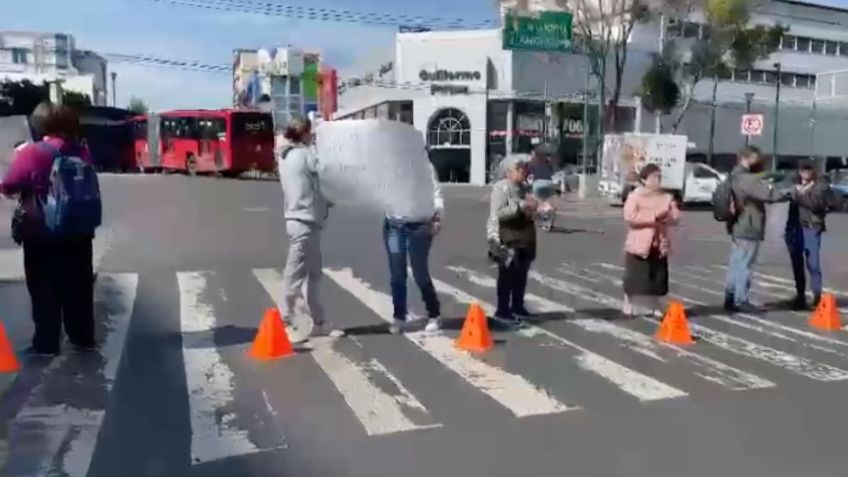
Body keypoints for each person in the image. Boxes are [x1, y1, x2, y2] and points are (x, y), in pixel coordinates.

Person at [1, 102, 97, 356]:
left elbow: (8, 184)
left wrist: (20, 157)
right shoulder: (82, 151)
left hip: (42, 230)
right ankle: (83, 338)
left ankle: (46, 343)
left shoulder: (34, 152)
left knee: (44, 288)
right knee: (79, 286)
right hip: (80, 229)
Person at [278, 118, 343, 343]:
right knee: (294, 274)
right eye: (311, 132)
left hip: (305, 221)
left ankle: (319, 322)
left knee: (314, 274)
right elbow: (326, 177)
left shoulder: (286, 155)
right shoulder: (304, 155)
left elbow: (314, 185)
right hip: (303, 221)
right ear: (304, 133)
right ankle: (286, 323)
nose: (313, 136)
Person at [384, 156, 444, 335]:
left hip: (419, 224)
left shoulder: (425, 166)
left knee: (419, 271)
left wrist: (438, 217)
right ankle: (399, 316)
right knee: (397, 273)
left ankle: (434, 313)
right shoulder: (388, 164)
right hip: (394, 225)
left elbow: (436, 193)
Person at [724, 146, 785, 312]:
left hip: (737, 223)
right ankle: (740, 299)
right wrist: (782, 192)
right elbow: (769, 195)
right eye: (755, 158)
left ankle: (730, 297)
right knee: (745, 263)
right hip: (749, 224)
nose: (758, 162)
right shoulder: (747, 179)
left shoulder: (733, 175)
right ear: (747, 158)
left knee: (736, 262)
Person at [621, 163, 680, 317]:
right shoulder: (636, 195)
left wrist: (666, 216)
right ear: (644, 179)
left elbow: (675, 217)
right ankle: (628, 302)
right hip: (639, 242)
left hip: (659, 242)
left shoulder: (666, 196)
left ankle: (655, 305)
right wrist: (654, 216)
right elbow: (630, 217)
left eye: (659, 176)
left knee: (658, 277)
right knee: (635, 276)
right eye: (654, 177)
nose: (658, 180)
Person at [488, 154, 537, 326]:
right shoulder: (501, 188)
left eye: (524, 168)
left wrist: (535, 208)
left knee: (521, 275)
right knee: (507, 276)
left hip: (525, 237)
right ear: (508, 172)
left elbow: (530, 210)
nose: (523, 171)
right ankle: (502, 310)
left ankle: (517, 306)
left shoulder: (524, 187)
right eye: (518, 168)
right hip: (508, 237)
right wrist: (519, 206)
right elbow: (497, 213)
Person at [785, 159, 836, 310]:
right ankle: (800, 295)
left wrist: (799, 196)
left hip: (811, 227)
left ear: (813, 171)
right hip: (794, 228)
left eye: (808, 170)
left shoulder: (820, 186)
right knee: (797, 263)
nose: (805, 173)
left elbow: (819, 204)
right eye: (802, 170)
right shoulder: (794, 184)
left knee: (813, 263)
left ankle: (817, 296)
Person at [528, 145, 557, 231]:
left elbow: (528, 173)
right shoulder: (547, 162)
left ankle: (545, 213)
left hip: (538, 183)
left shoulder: (533, 162)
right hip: (549, 183)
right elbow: (551, 172)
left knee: (537, 202)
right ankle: (548, 214)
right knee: (545, 200)